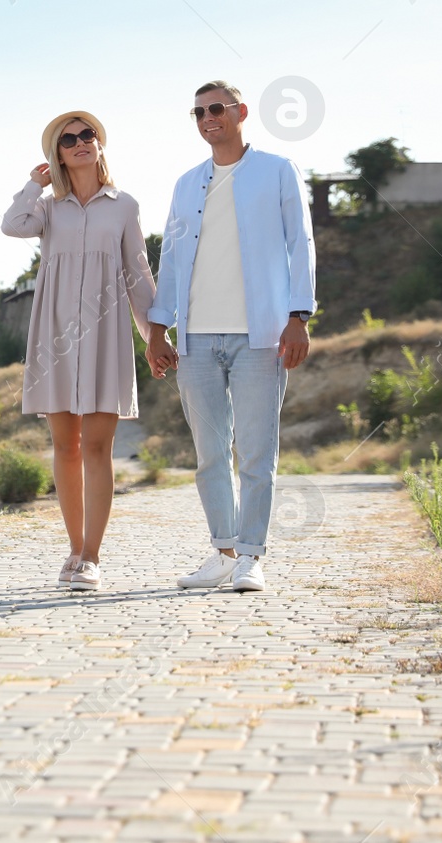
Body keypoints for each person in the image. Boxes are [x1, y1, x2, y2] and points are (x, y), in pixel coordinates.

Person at [147, 80, 316, 593]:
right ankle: (222, 551)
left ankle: (251, 557)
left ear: (241, 112)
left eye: (215, 108)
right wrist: (158, 327)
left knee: (257, 452)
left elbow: (300, 242)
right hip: (197, 338)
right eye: (197, 112)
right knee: (210, 453)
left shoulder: (277, 170)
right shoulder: (185, 183)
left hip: (261, 335)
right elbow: (171, 259)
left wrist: (298, 315)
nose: (206, 118)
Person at [2, 111, 162, 592]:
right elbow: (12, 226)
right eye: (68, 139)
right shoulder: (47, 210)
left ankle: (93, 557)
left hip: (106, 334)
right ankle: (73, 550)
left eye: (87, 135)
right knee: (65, 448)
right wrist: (33, 184)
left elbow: (139, 273)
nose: (79, 143)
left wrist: (154, 334)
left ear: (100, 143)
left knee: (97, 447)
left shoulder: (125, 205)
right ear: (58, 153)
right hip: (55, 337)